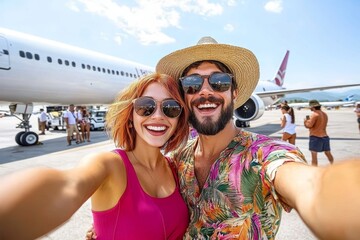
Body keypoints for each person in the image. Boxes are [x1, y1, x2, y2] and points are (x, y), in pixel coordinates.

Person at [155, 37, 360, 239]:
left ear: (235, 93)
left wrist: (340, 199)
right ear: (183, 96)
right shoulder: (179, 158)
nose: (206, 90)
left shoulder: (264, 154)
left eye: (220, 82)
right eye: (192, 83)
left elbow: (308, 186)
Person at [0, 73, 190, 240]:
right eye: (145, 106)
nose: (158, 116)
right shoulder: (109, 165)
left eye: (170, 108)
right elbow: (68, 186)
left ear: (179, 119)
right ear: (130, 116)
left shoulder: (175, 168)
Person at [304, 99, 334, 166]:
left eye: (310, 107)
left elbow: (309, 125)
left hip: (315, 137)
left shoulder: (314, 114)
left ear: (313, 107)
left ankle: (314, 170)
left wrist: (305, 121)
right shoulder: (324, 114)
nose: (310, 109)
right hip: (325, 136)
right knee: (328, 153)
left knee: (314, 155)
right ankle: (333, 166)